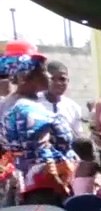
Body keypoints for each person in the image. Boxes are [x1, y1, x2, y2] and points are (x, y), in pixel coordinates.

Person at [1, 52, 74, 194]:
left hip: (24, 182)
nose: (49, 76)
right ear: (25, 78)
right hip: (44, 188)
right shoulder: (29, 109)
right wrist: (61, 189)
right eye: (43, 71)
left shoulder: (10, 103)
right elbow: (42, 155)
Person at [37, 61, 84, 140]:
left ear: (68, 80)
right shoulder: (34, 103)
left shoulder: (73, 107)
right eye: (52, 79)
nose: (58, 83)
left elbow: (78, 137)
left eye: (62, 79)